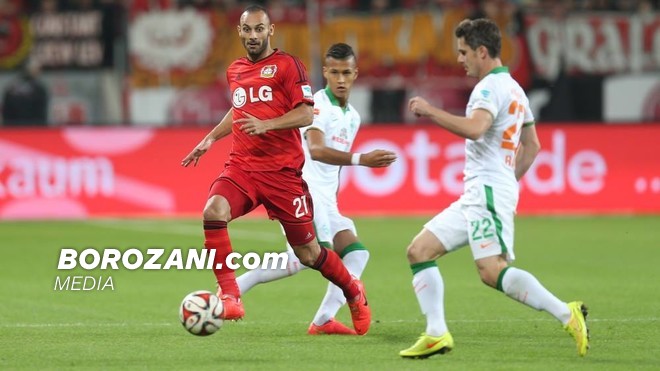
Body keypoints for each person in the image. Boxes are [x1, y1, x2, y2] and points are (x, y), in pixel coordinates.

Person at [399, 18, 589, 358]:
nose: (460, 59)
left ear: (482, 52)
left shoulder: (488, 88)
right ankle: (436, 333)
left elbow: (476, 128)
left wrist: (430, 110)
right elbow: (532, 146)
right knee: (419, 250)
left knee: (491, 270)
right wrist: (505, 178)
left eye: (464, 52)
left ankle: (565, 311)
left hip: (485, 191)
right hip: (481, 192)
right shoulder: (515, 88)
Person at [180, 5, 371, 335]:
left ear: (270, 31)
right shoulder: (236, 70)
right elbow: (239, 109)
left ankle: (353, 292)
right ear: (239, 33)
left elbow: (306, 115)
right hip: (242, 167)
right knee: (213, 211)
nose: (253, 36)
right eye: (247, 30)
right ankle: (229, 296)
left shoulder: (288, 65)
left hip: (282, 174)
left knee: (309, 254)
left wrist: (267, 125)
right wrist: (210, 138)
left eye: (259, 29)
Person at [236, 43, 397, 335]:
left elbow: (330, 169)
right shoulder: (318, 106)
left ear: (355, 74)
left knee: (357, 254)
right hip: (302, 193)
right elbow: (319, 150)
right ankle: (232, 291)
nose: (340, 79)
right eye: (334, 72)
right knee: (305, 259)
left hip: (327, 201)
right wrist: (362, 160)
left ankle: (323, 319)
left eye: (346, 72)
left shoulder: (353, 116)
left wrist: (333, 200)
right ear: (325, 72)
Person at [1, 59, 49, 126]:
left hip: (12, 128)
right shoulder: (39, 89)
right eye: (37, 69)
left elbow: (6, 113)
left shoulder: (11, 87)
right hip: (32, 129)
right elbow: (41, 114)